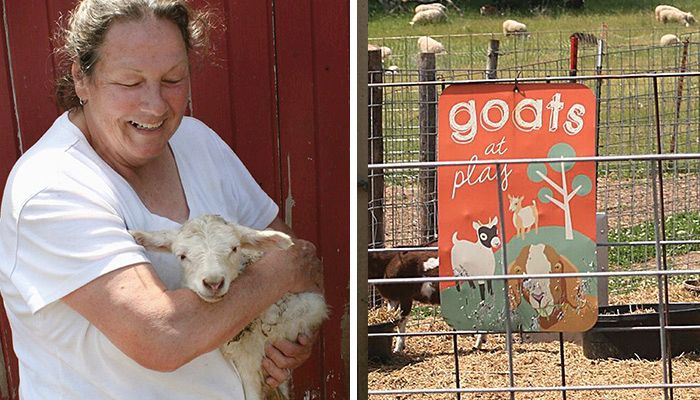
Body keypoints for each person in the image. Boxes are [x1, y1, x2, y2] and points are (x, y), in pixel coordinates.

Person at [0, 0, 323, 398]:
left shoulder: (197, 142)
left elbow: (299, 264)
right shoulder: (53, 188)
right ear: (81, 80)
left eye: (172, 79)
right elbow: (163, 336)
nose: (155, 105)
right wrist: (278, 274)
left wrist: (290, 334)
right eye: (130, 82)